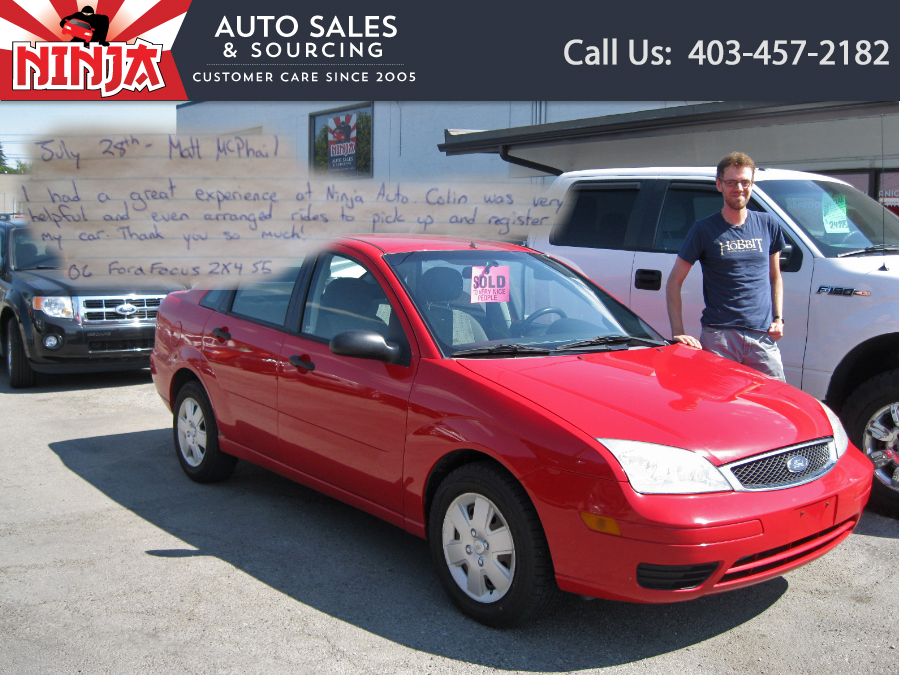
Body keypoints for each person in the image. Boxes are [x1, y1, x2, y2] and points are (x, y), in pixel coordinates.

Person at [665, 151, 786, 381]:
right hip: (720, 336)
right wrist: (678, 332)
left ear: (752, 184)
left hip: (762, 337)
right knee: (719, 406)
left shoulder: (768, 224)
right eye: (731, 182)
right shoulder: (703, 229)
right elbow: (674, 281)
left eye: (745, 182)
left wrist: (779, 318)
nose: (738, 188)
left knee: (774, 404)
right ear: (719, 185)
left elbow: (775, 277)